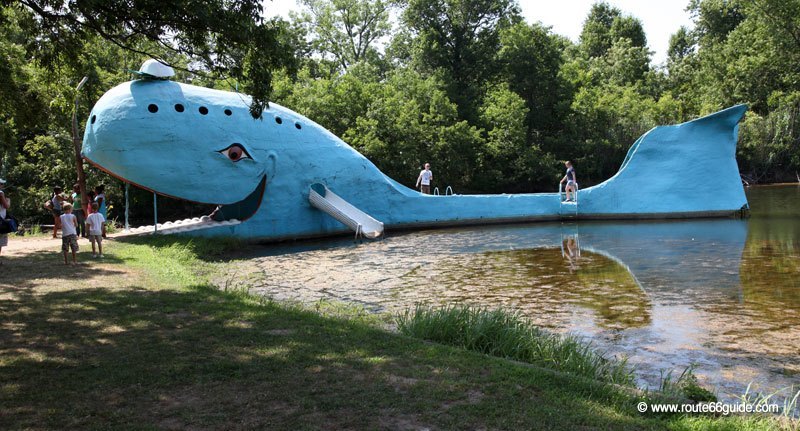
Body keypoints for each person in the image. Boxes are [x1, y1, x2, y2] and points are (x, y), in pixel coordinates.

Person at [0, 178, 9, 265]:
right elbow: (6, 206)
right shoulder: (1, 193)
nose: (2, 185)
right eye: (1, 184)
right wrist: (8, 201)